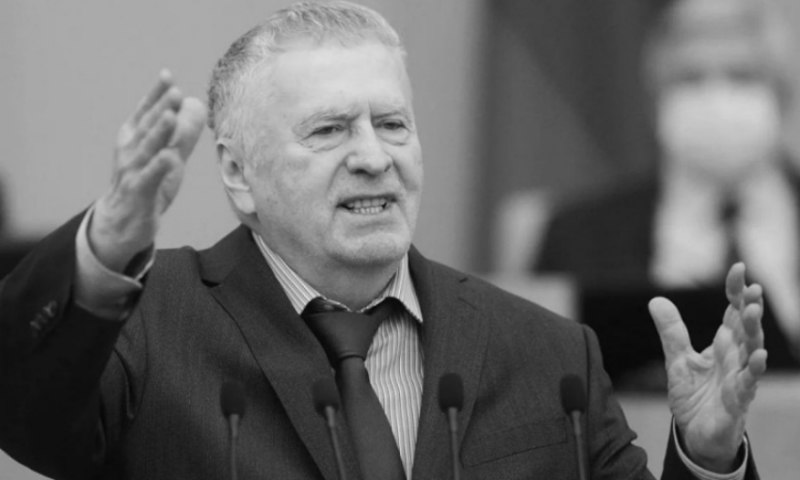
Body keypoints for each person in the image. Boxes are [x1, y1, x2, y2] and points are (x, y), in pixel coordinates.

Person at [0, 2, 766, 479]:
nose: (374, 156)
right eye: (330, 130)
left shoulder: (550, 355)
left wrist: (707, 457)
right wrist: (104, 248)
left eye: (393, 123)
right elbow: (23, 414)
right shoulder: (147, 324)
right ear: (238, 172)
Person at [535, 0, 798, 386]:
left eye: (742, 76)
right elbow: (536, 380)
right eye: (690, 78)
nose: (717, 99)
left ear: (783, 96)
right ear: (655, 100)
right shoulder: (575, 234)